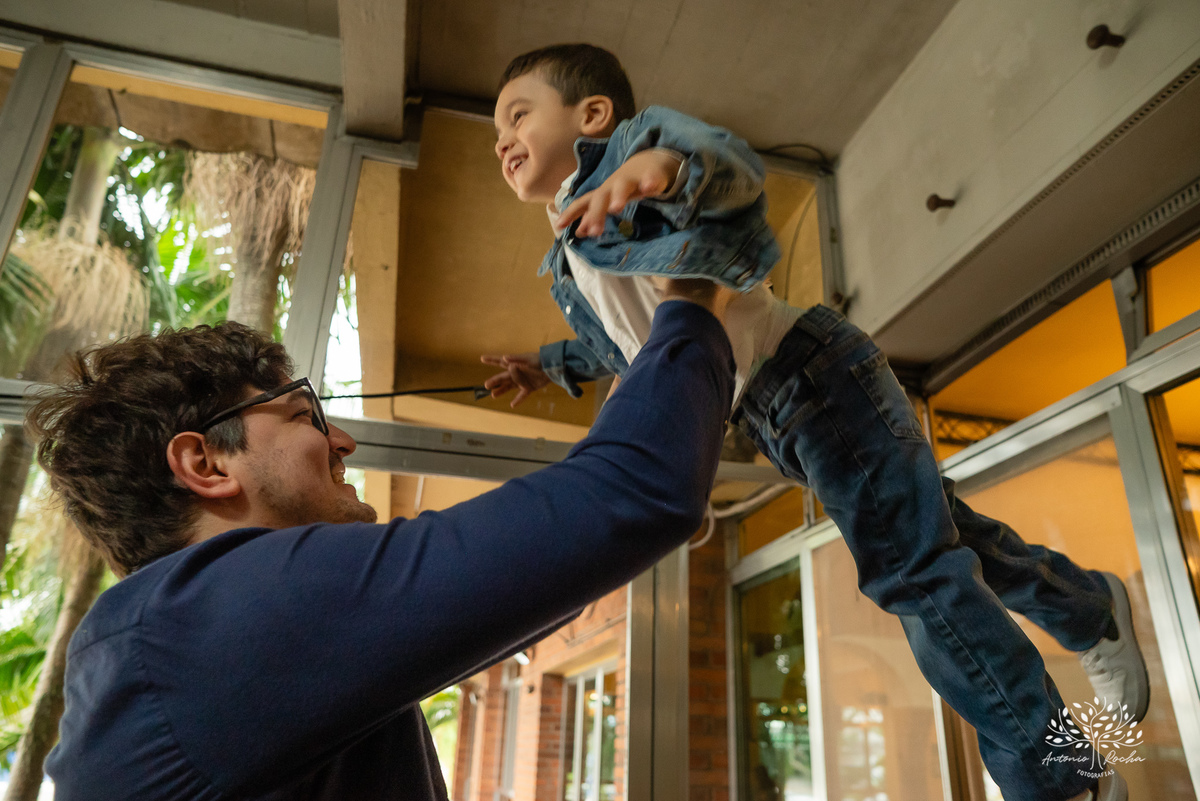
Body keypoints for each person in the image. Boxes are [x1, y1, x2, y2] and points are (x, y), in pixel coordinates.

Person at [483, 43, 1148, 801]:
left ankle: (1064, 781)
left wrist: (660, 171)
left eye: (518, 115)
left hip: (811, 375)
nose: (501, 138)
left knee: (916, 576)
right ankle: (1089, 608)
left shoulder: (635, 152)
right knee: (945, 543)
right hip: (777, 413)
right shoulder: (569, 256)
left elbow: (728, 167)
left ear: (592, 115)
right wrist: (550, 364)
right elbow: (618, 342)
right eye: (496, 130)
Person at [30, 284, 737, 799]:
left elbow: (565, 556)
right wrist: (693, 296)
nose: (343, 439)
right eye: (306, 415)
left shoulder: (178, 645)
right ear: (205, 463)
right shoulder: (209, 624)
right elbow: (635, 489)